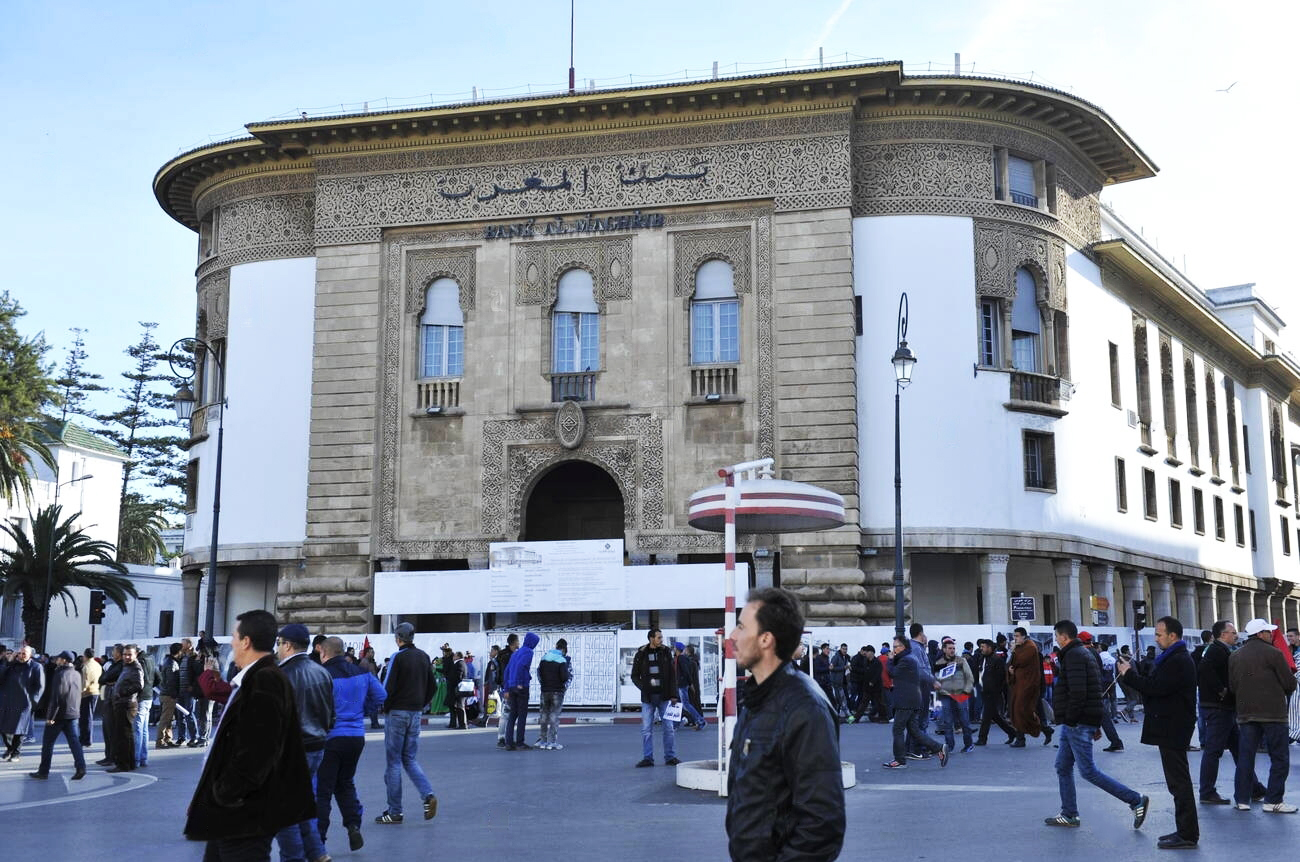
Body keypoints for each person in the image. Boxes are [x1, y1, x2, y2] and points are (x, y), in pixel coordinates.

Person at [184, 609, 315, 861]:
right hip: (236, 812)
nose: (232, 643)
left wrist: (225, 793)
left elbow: (258, 750)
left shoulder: (265, 680)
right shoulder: (256, 678)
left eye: (234, 637)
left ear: (246, 641)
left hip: (245, 813)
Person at [726, 587, 844, 862]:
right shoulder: (758, 697)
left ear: (766, 639)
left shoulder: (805, 707)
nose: (733, 636)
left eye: (741, 627)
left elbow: (822, 823)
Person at [1044, 619, 1149, 832]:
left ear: (1064, 637)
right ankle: (1069, 813)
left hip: (1076, 722)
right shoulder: (1084, 654)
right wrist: (1093, 723)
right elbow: (1093, 691)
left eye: (1056, 636)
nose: (1056, 640)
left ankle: (1135, 800)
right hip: (1077, 721)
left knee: (1088, 771)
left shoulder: (1074, 656)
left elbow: (1080, 693)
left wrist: (1073, 721)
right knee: (1062, 766)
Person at [1116, 616, 1197, 848]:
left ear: (1173, 636)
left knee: (1179, 782)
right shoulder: (1173, 658)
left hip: (1174, 726)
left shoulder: (1178, 660)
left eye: (1160, 634)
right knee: (1177, 782)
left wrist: (1129, 675)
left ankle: (1188, 833)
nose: (1157, 638)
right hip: (1171, 725)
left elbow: (1157, 688)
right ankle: (1184, 830)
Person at [275, 623, 336, 862]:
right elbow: (331, 715)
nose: (277, 648)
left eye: (279, 644)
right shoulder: (321, 671)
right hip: (316, 747)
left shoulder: (282, 676)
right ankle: (317, 852)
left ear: (288, 645)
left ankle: (295, 858)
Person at [318, 636, 385, 851]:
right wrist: (364, 711)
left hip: (331, 737)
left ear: (323, 653)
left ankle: (319, 838)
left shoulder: (323, 675)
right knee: (345, 782)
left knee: (324, 789)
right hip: (356, 736)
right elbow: (381, 695)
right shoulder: (362, 673)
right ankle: (353, 825)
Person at [1229, 618, 1299, 812]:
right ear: (1260, 634)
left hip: (1246, 714)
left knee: (1245, 758)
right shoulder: (1274, 653)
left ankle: (1242, 799)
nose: (1271, 635)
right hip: (1273, 714)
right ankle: (1273, 800)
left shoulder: (1235, 655)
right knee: (1279, 758)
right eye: (1268, 632)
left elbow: (1233, 686)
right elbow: (1289, 683)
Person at [1197, 620, 1265, 805]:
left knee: (1239, 749)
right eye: (1233, 632)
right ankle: (1207, 791)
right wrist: (1222, 690)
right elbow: (1204, 669)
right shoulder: (1216, 650)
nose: (1236, 635)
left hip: (1224, 708)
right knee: (1214, 750)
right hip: (1219, 708)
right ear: (1222, 634)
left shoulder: (1223, 650)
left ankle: (1254, 787)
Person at [376, 622, 438, 824]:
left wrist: (385, 705)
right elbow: (433, 686)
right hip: (415, 713)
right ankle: (427, 794)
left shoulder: (398, 657)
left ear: (398, 638)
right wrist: (421, 702)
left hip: (398, 713)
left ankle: (395, 811)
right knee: (409, 758)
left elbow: (387, 687)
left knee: (393, 762)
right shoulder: (423, 656)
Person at [882, 634, 946, 769]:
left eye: (896, 647)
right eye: (893, 647)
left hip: (906, 700)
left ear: (903, 646)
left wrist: (890, 660)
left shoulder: (907, 660)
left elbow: (892, 672)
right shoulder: (908, 658)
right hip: (911, 699)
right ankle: (939, 747)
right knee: (914, 730)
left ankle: (899, 760)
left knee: (898, 730)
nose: (893, 650)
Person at [29, 650, 86, 780]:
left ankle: (43, 771)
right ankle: (81, 766)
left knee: (48, 744)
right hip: (73, 713)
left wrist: (50, 717)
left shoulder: (60, 674)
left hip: (59, 715)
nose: (57, 660)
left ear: (64, 660)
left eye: (59, 658)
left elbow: (56, 697)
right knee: (74, 742)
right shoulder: (77, 673)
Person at [631, 628, 679, 767]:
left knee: (669, 728)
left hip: (664, 697)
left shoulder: (665, 652)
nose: (661, 640)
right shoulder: (641, 654)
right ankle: (648, 758)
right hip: (648, 698)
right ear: (651, 638)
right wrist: (643, 687)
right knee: (646, 729)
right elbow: (634, 676)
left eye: (661, 637)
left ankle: (670, 757)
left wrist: (674, 694)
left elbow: (672, 675)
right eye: (659, 637)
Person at [1078, 632, 1123, 752]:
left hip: (1091, 691)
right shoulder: (1094, 653)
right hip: (1097, 689)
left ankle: (1075, 744)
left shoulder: (1086, 653)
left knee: (1081, 716)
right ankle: (1115, 741)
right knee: (1102, 716)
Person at [0, 645, 45, 761]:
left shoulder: (36, 667)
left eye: (24, 653)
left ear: (30, 655)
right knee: (4, 728)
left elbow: (40, 686)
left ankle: (16, 753)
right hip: (7, 702)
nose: (20, 655)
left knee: (19, 729)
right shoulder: (11, 666)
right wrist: (8, 662)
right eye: (19, 653)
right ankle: (10, 748)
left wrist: (32, 702)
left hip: (24, 703)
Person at [1008, 627, 1049, 746]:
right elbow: (1012, 664)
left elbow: (1018, 662)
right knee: (1020, 711)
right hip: (1020, 684)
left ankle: (1023, 738)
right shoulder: (1021, 648)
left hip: (1028, 685)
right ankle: (1045, 730)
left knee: (1021, 711)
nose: (1015, 639)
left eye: (1017, 636)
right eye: (1014, 636)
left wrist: (1014, 653)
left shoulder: (1030, 647)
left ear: (1023, 636)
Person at [934, 636, 976, 753]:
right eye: (949, 648)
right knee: (947, 722)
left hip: (961, 694)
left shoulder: (961, 661)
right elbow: (936, 679)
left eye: (953, 648)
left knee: (964, 720)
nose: (952, 650)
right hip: (946, 694)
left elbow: (969, 677)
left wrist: (966, 691)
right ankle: (949, 746)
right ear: (944, 649)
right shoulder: (939, 663)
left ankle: (969, 744)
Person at [106, 644, 143, 773]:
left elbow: (139, 685)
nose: (126, 657)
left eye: (129, 654)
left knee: (123, 736)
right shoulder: (127, 667)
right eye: (125, 654)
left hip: (127, 704)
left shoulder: (135, 668)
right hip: (122, 703)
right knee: (125, 735)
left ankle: (123, 764)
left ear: (135, 655)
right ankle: (129, 763)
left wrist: (122, 692)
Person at [974, 639, 1016, 745]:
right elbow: (979, 673)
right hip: (983, 691)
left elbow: (1001, 678)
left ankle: (982, 738)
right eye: (981, 647)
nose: (981, 649)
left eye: (983, 647)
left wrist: (996, 691)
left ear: (989, 648)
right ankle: (1012, 732)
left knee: (986, 716)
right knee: (994, 716)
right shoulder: (981, 658)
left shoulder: (997, 660)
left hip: (992, 693)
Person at [502, 631, 539, 751]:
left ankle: (508, 742)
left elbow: (507, 671)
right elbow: (521, 667)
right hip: (521, 687)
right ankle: (519, 743)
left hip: (511, 687)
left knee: (513, 715)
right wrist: (520, 683)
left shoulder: (516, 653)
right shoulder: (528, 651)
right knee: (522, 715)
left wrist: (506, 688)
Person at [537, 638, 573, 749]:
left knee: (543, 716)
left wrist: (544, 684)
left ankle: (542, 741)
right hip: (557, 692)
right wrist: (563, 687)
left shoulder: (544, 658)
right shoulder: (562, 660)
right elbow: (565, 677)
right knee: (554, 716)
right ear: (564, 649)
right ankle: (552, 742)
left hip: (545, 691)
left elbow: (539, 674)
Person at [672, 641, 705, 730]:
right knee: (679, 704)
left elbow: (686, 672)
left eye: (674, 647)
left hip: (682, 685)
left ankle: (700, 720)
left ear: (676, 649)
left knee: (685, 704)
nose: (673, 649)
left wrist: (690, 684)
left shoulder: (681, 659)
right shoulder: (679, 658)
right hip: (680, 685)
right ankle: (675, 724)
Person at [157, 642, 183, 749]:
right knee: (165, 718)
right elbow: (171, 681)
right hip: (169, 694)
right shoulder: (172, 663)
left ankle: (167, 738)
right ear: (179, 652)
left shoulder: (167, 661)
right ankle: (160, 741)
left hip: (165, 693)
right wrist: (174, 694)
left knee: (169, 718)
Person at [494, 634, 518, 748]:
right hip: (507, 688)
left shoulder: (503, 654)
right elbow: (506, 673)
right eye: (518, 641)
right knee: (506, 714)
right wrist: (507, 688)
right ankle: (502, 738)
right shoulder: (507, 656)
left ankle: (504, 737)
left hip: (505, 687)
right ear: (514, 642)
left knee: (507, 714)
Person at [848, 646, 883, 724]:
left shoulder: (877, 662)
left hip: (876, 687)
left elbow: (878, 674)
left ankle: (883, 717)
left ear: (871, 653)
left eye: (867, 652)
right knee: (863, 704)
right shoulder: (865, 661)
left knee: (879, 703)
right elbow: (865, 673)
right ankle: (855, 719)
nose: (865, 653)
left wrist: (872, 682)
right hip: (867, 687)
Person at [78, 648, 100, 748]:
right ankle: (86, 738)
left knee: (85, 717)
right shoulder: (97, 665)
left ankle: (86, 739)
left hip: (87, 693)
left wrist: (80, 692)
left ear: (85, 655)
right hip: (96, 691)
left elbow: (84, 682)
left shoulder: (86, 666)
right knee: (89, 716)